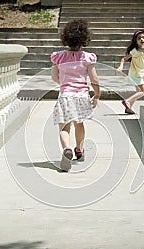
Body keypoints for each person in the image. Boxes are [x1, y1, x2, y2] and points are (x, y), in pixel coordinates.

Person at [51, 19, 101, 172]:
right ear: (84, 38)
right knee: (79, 124)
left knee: (64, 127)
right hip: (82, 96)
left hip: (66, 95)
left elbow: (54, 77)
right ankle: (79, 149)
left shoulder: (58, 57)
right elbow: (94, 79)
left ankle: (67, 148)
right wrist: (97, 95)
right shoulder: (87, 58)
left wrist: (64, 82)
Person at [116, 29, 144, 114]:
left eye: (143, 37)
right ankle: (127, 101)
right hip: (135, 74)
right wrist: (120, 67)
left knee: (138, 92)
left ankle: (129, 108)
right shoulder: (135, 51)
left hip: (138, 74)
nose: (142, 40)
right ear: (136, 42)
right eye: (139, 38)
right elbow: (124, 59)